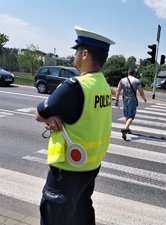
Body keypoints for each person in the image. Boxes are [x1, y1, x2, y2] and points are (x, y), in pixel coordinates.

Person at [35, 26, 115, 225]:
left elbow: (38, 113)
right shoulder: (103, 85)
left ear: (85, 54)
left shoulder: (75, 86)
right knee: (80, 213)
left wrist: (49, 116)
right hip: (90, 166)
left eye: (76, 50)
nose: (74, 54)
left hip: (67, 170)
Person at [114, 68, 147, 140]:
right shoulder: (136, 81)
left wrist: (116, 100)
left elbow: (118, 90)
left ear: (128, 73)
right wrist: (144, 98)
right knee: (131, 116)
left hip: (125, 100)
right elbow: (141, 91)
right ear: (134, 73)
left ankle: (128, 129)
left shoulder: (122, 80)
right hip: (132, 100)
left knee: (126, 115)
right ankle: (125, 129)